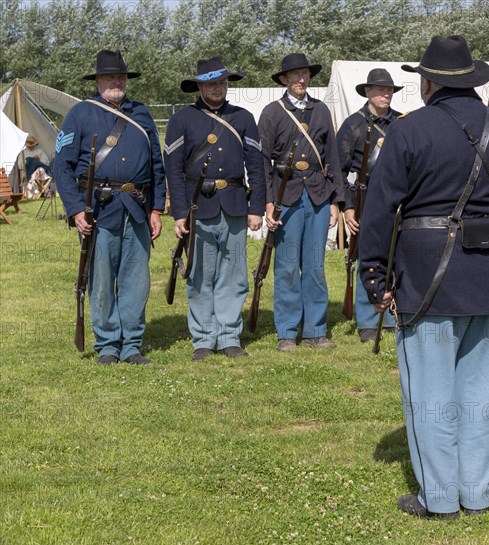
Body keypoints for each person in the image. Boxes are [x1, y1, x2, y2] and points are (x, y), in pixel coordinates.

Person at [359, 35, 489, 518]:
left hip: (426, 279)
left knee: (430, 393)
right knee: (482, 393)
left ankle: (441, 497)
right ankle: (478, 491)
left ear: (427, 83)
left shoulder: (408, 131)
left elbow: (380, 210)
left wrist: (375, 276)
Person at [54, 49, 167, 365]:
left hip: (137, 207)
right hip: (98, 211)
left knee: (136, 279)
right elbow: (61, 166)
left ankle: (131, 343)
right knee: (101, 281)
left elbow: (156, 166)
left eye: (121, 77)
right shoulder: (80, 114)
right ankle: (107, 344)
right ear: (98, 80)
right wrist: (76, 209)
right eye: (110, 77)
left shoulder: (141, 113)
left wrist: (157, 209)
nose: (116, 82)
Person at [164, 56, 266, 361]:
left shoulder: (244, 118)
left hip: (235, 204)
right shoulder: (182, 119)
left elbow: (256, 167)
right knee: (199, 274)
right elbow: (173, 169)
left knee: (233, 276)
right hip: (198, 207)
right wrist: (180, 212)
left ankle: (229, 335)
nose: (217, 88)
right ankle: (204, 338)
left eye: (221, 82)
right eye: (211, 83)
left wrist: (257, 206)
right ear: (199, 86)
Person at [258, 53, 344, 352]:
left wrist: (335, 200)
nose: (301, 79)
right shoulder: (271, 113)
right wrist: (268, 202)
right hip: (287, 195)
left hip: (318, 195)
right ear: (284, 79)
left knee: (316, 266)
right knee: (286, 266)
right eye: (295, 75)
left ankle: (315, 331)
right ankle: (286, 332)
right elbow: (262, 163)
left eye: (305, 74)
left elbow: (332, 157)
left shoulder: (321, 111)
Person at [336, 69, 403, 342]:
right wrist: (348, 207)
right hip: (365, 200)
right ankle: (367, 319)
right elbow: (340, 171)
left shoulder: (401, 123)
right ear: (367, 92)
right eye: (379, 90)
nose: (385, 94)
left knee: (397, 257)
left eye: (388, 90)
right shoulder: (353, 125)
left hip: (396, 200)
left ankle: (395, 314)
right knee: (367, 258)